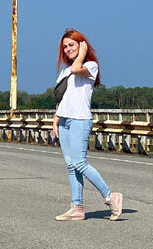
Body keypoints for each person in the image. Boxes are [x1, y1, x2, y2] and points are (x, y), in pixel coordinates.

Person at [51, 29, 123, 221]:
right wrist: (56, 120)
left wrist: (83, 53)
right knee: (71, 165)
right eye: (65, 47)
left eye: (72, 45)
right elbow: (62, 98)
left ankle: (110, 196)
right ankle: (77, 207)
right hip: (64, 120)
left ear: (81, 44)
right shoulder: (65, 71)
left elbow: (77, 69)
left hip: (80, 120)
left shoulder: (90, 66)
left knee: (80, 163)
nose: (67, 49)